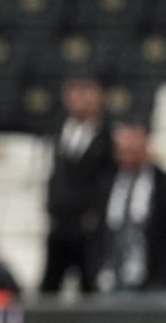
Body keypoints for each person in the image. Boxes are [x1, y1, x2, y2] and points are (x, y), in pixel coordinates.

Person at [40, 76, 114, 294]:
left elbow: (108, 180)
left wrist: (96, 212)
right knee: (50, 286)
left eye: (87, 93)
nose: (81, 100)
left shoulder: (108, 136)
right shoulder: (60, 131)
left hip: (88, 225)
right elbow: (55, 174)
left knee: (89, 284)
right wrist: (50, 207)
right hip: (60, 222)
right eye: (76, 93)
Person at [94, 123, 166, 292]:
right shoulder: (107, 183)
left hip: (154, 281)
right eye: (123, 150)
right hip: (110, 278)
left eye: (133, 149)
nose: (128, 155)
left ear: (146, 147)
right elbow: (97, 230)